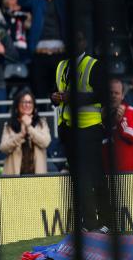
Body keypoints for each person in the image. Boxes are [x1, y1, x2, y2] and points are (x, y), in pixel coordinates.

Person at [51, 31, 107, 232]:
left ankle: (104, 222)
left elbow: (102, 95)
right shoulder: (61, 66)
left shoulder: (94, 64)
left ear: (84, 41)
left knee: (95, 177)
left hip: (89, 129)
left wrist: (71, 97)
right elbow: (57, 93)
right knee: (79, 179)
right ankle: (90, 222)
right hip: (68, 131)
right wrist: (54, 98)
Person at [19, 0, 66, 99]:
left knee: (61, 95)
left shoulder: (63, 1)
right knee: (39, 94)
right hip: (40, 55)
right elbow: (21, 1)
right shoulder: (36, 1)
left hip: (60, 55)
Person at [0, 87, 51, 175]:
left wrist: (29, 128)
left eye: (30, 102)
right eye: (23, 101)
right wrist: (21, 134)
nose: (27, 105)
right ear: (17, 105)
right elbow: (3, 148)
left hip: (37, 178)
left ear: (34, 106)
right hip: (14, 178)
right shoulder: (9, 125)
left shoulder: (41, 123)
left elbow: (45, 142)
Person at [106, 78, 133, 172]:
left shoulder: (131, 111)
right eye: (110, 93)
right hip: (102, 173)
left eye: (116, 93)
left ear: (122, 96)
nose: (113, 96)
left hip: (125, 173)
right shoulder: (98, 113)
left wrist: (120, 121)